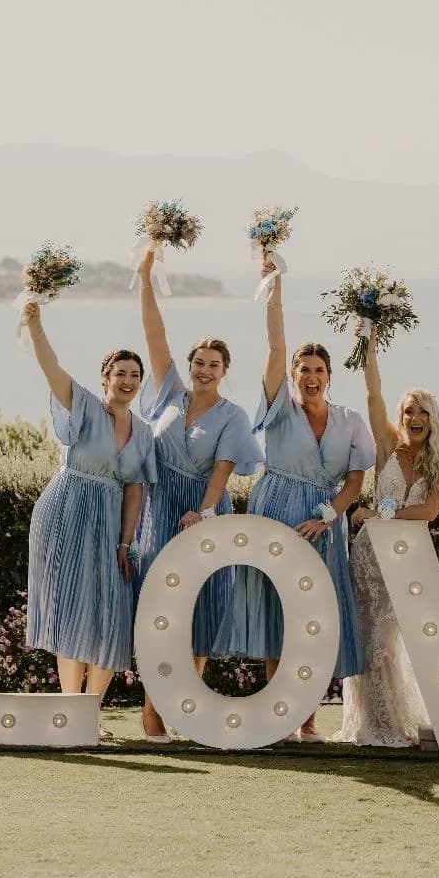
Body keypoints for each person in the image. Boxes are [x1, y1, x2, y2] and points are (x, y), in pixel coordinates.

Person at [217, 259, 376, 742]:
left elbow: (355, 481)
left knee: (313, 616)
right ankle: (279, 716)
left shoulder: (350, 420)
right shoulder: (279, 409)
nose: (311, 376)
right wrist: (275, 288)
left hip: (323, 523)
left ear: (329, 375)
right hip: (275, 511)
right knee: (275, 610)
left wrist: (327, 516)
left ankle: (306, 720)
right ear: (292, 374)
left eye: (319, 370)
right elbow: (275, 345)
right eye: (303, 369)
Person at [132, 249, 263, 743]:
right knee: (159, 609)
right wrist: (145, 276)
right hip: (158, 508)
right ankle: (152, 709)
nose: (205, 370)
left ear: (225, 370)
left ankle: (184, 705)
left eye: (214, 365)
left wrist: (203, 513)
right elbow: (154, 334)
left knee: (202, 606)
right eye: (199, 363)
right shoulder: (169, 393)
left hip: (201, 512)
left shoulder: (232, 416)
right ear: (188, 366)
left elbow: (223, 472)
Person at [21, 302, 156, 740]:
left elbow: (134, 489)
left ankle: (90, 712)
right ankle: (72, 713)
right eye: (120, 373)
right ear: (105, 378)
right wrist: (35, 325)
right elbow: (51, 368)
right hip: (67, 510)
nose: (128, 381)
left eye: (135, 375)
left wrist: (126, 542)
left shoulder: (144, 432)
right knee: (71, 611)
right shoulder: (84, 405)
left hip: (110, 523)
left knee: (111, 615)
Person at [335, 334, 439, 746]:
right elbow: (373, 393)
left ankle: (397, 721)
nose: (414, 417)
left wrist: (379, 513)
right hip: (369, 559)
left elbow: (428, 512)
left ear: (433, 418)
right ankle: (371, 725)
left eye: (423, 411)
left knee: (391, 640)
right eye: (408, 411)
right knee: (367, 639)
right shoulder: (388, 447)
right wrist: (369, 341)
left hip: (407, 560)